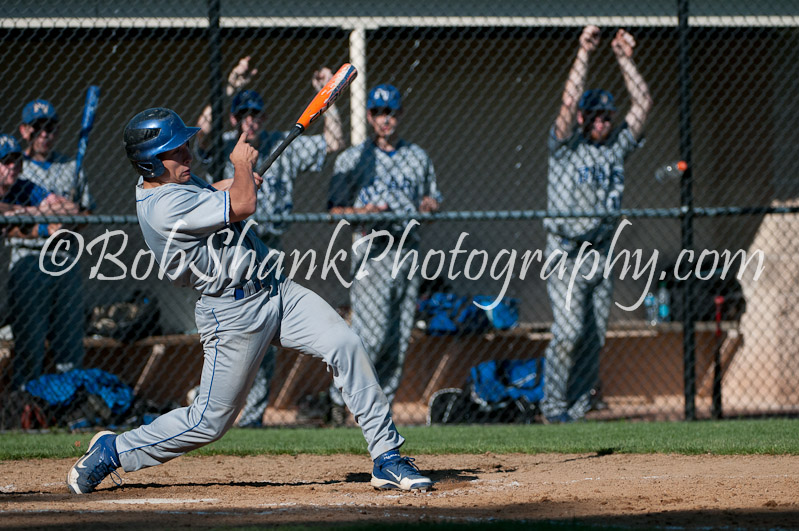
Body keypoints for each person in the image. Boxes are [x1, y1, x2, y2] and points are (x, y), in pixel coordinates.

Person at [66, 107, 432, 494]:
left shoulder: (174, 184)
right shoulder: (162, 206)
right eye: (176, 151)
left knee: (347, 344)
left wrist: (240, 179)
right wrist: (241, 171)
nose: (187, 154)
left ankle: (387, 457)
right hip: (232, 310)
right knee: (209, 422)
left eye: (186, 145)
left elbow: (217, 193)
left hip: (276, 289)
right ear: (150, 162)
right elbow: (242, 205)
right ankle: (114, 450)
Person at [194, 58, 345, 427]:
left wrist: (328, 98)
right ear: (234, 118)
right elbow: (198, 137)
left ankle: (254, 417)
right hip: (230, 248)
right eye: (243, 113)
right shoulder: (226, 144)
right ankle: (215, 408)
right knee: (234, 330)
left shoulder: (281, 143)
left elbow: (334, 142)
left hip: (270, 247)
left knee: (268, 328)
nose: (250, 120)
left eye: (256, 114)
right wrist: (228, 85)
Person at [541, 26, 652, 423]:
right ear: (584, 117)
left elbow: (642, 103)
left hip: (601, 251)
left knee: (594, 337)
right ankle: (553, 408)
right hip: (566, 251)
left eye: (608, 116)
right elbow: (568, 102)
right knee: (568, 333)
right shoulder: (567, 146)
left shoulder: (616, 148)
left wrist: (625, 59)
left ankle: (578, 406)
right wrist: (585, 51)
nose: (603, 122)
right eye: (597, 115)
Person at [326, 84, 442, 424]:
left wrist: (430, 205)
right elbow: (334, 211)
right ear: (369, 116)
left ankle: (380, 409)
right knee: (371, 336)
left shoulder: (417, 157)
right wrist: (366, 212)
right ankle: (337, 400)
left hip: (406, 249)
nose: (385, 119)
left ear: (399, 114)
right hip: (370, 249)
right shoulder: (354, 158)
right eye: (378, 112)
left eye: (390, 111)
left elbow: (432, 200)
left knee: (398, 336)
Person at [6, 100, 95, 391]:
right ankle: (25, 406)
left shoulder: (70, 166)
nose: (45, 134)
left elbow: (86, 212)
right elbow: (10, 224)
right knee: (30, 344)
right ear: (25, 131)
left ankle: (67, 405)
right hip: (30, 262)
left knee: (69, 343)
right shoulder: (13, 167)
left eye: (50, 128)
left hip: (65, 259)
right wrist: (46, 225)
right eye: (38, 128)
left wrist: (67, 222)